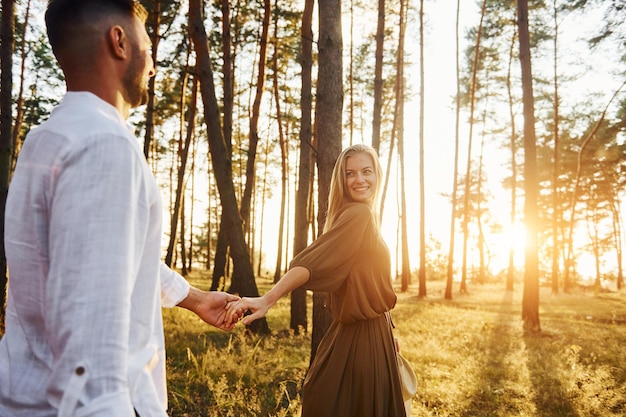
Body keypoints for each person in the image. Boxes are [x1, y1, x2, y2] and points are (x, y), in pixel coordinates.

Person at [0, 1, 240, 416]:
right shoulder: (105, 146)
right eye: (148, 44)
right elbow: (90, 359)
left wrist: (195, 297)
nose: (153, 66)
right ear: (119, 41)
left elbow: (106, 258)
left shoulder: (46, 138)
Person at [227, 144, 407, 417]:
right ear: (342, 181)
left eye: (366, 171)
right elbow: (309, 264)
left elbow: (372, 284)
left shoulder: (365, 217)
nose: (359, 179)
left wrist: (389, 329)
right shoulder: (358, 215)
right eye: (350, 174)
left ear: (377, 174)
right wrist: (267, 299)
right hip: (360, 338)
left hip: (374, 333)